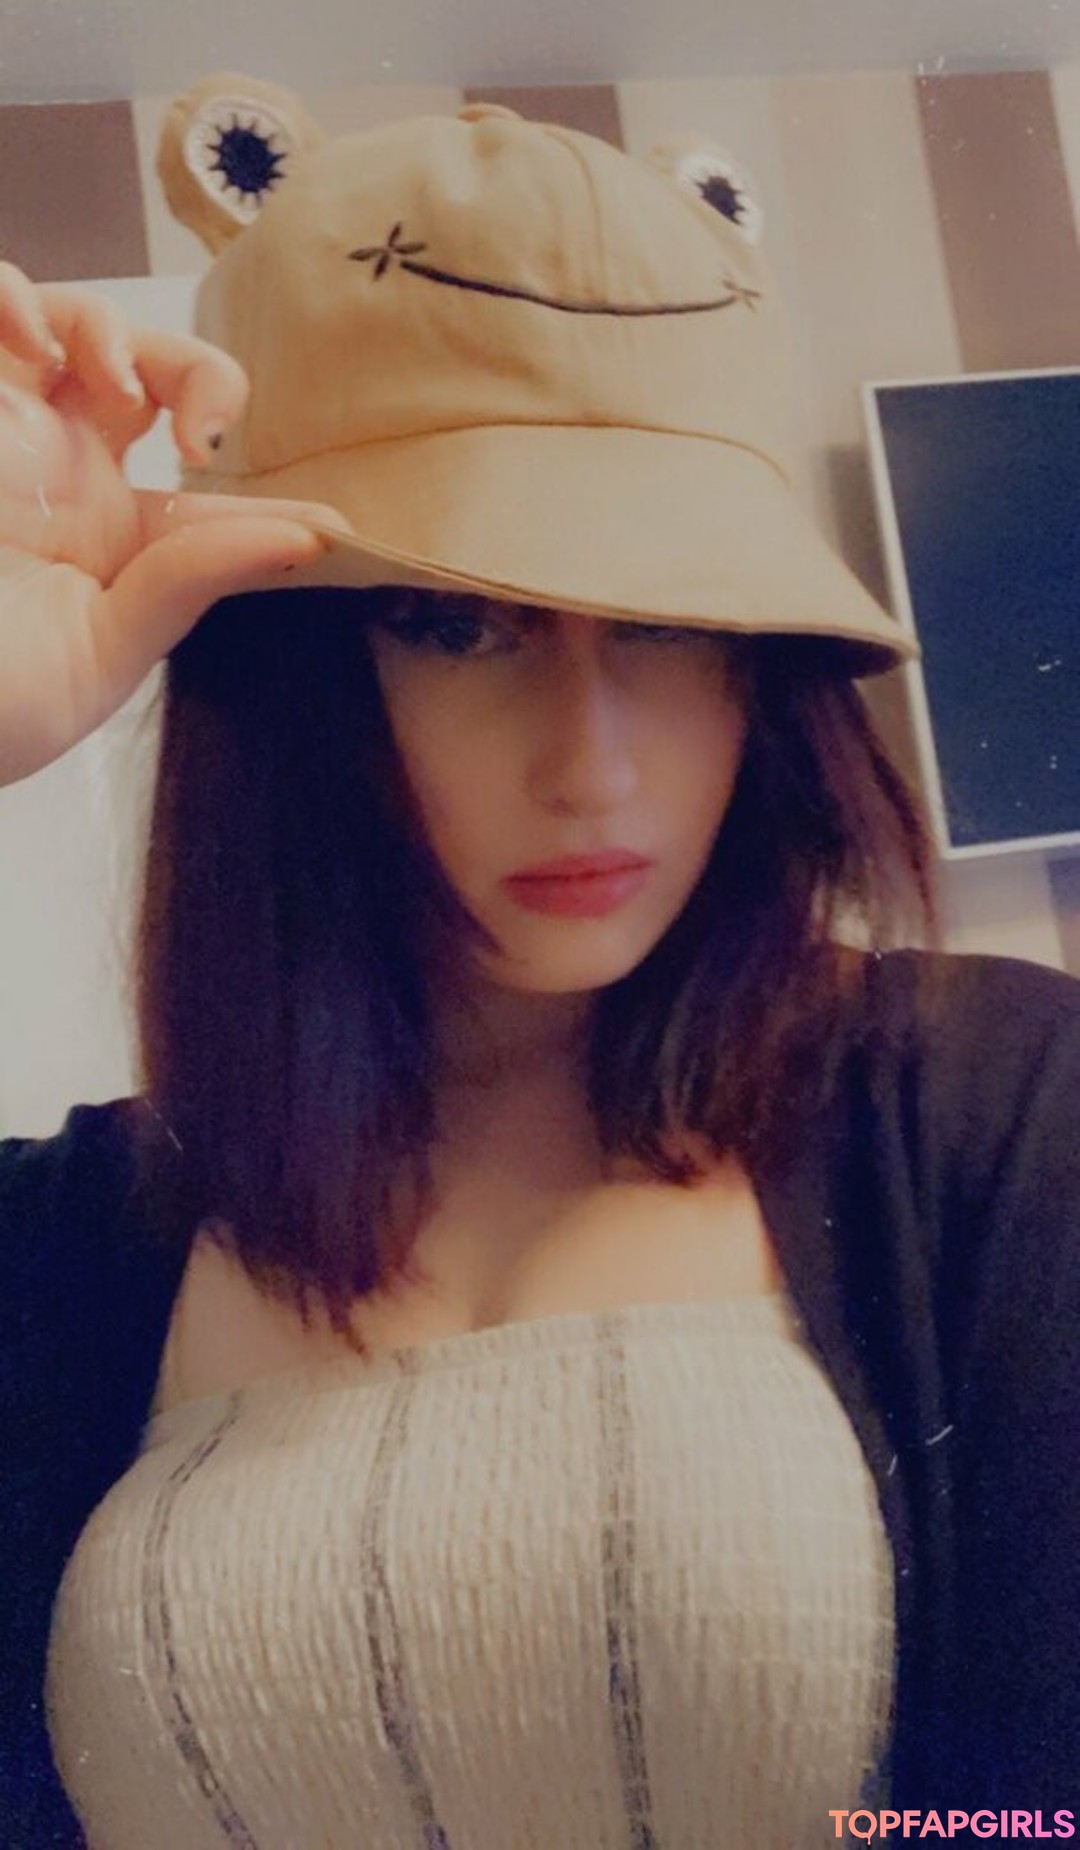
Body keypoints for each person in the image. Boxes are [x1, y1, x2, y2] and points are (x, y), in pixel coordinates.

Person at [0, 72, 1077, 1850]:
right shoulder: (78, 1246)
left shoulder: (997, 1116)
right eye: (459, 622)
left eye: (667, 621)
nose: (591, 760)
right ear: (290, 669)